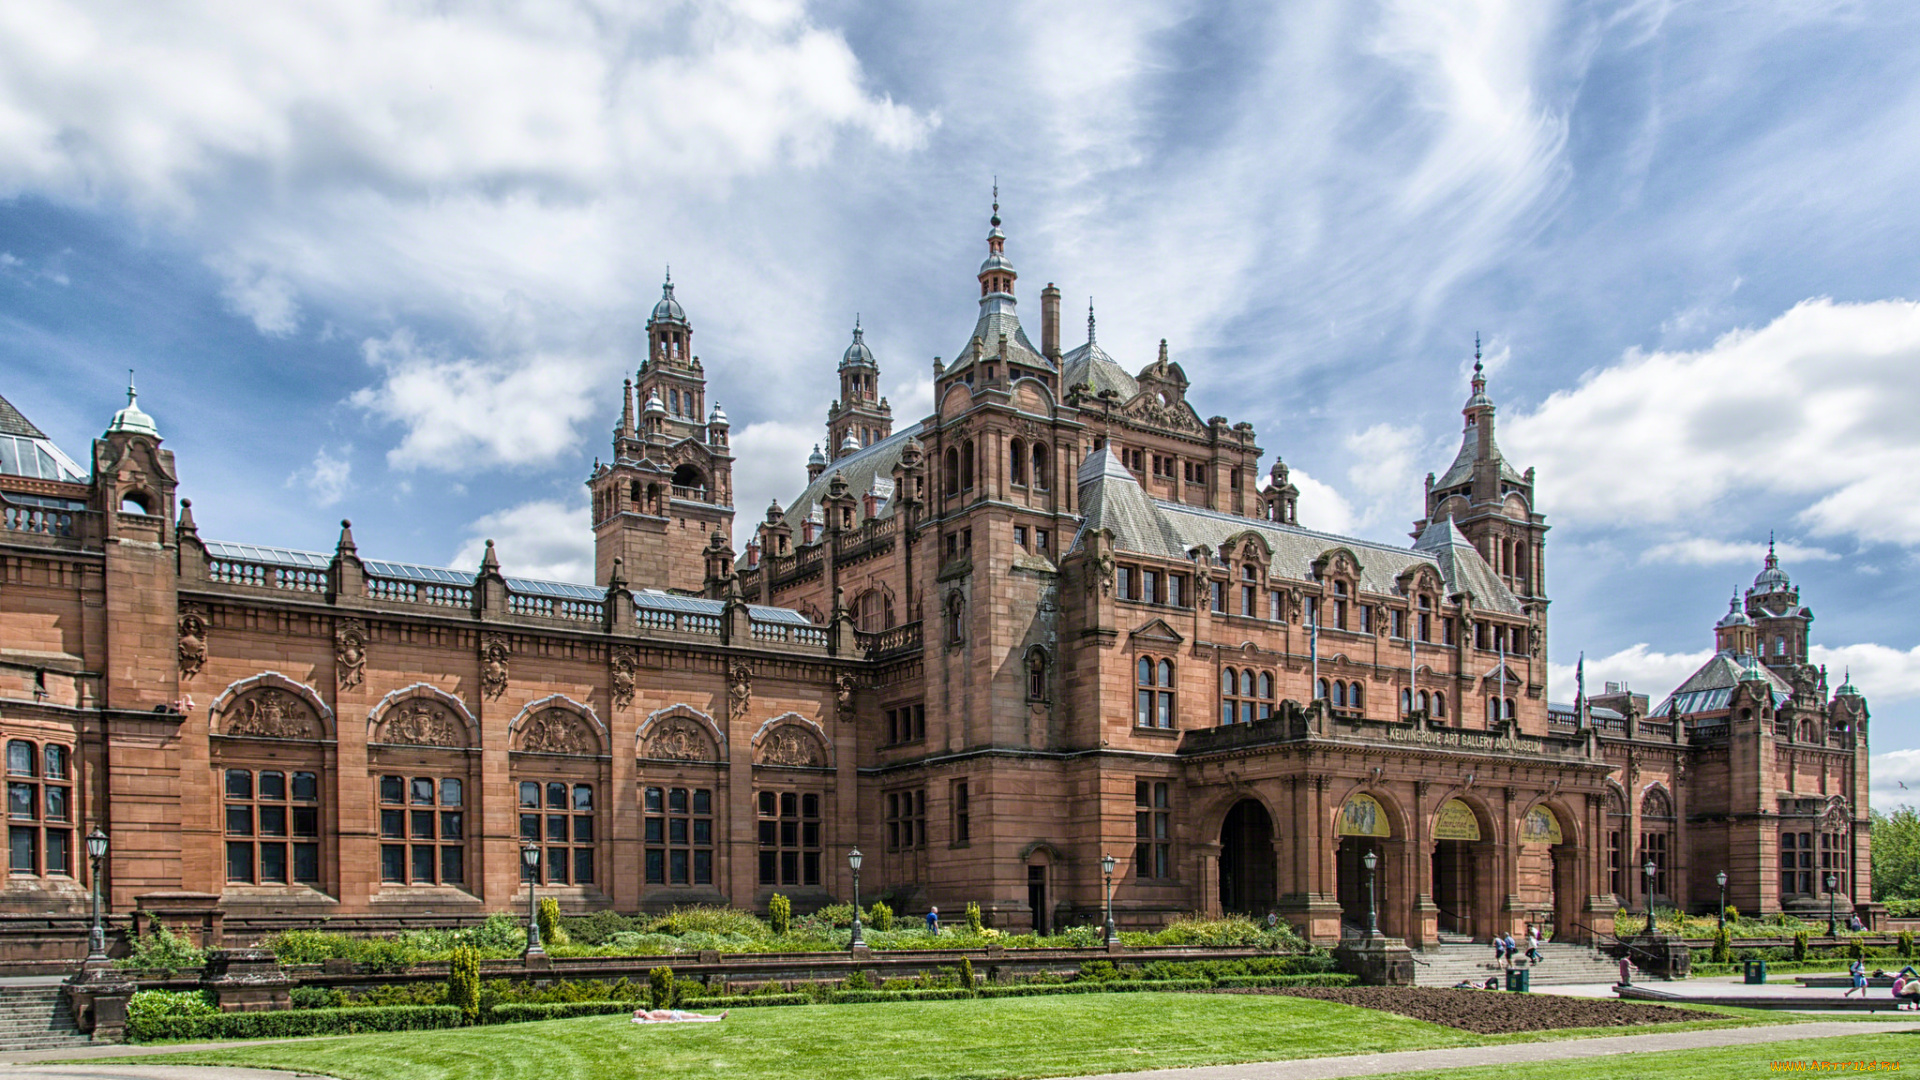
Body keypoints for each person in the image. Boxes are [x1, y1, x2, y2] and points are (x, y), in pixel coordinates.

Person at [632, 1008, 727, 1023]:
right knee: (697, 1015)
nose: (641, 1009)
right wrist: (669, 1021)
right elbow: (657, 1019)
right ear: (640, 1014)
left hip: (674, 1013)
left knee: (696, 1015)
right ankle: (718, 1017)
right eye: (639, 1010)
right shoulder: (647, 1016)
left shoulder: (648, 1013)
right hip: (674, 1016)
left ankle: (717, 1016)